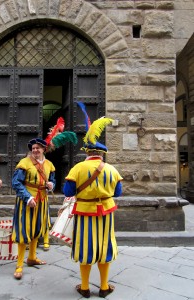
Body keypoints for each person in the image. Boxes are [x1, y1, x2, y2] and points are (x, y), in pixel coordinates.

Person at [63, 102, 123, 298]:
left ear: (87, 151)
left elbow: (68, 191)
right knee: (105, 247)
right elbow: (118, 193)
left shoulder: (77, 168)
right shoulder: (112, 170)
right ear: (102, 153)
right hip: (105, 213)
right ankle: (104, 287)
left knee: (85, 249)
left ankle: (85, 287)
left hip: (84, 212)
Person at [12, 138, 56, 280]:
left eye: (38, 148)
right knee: (24, 231)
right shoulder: (24, 163)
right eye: (33, 148)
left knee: (37, 229)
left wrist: (51, 185)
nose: (35, 150)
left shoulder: (50, 164)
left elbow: (53, 179)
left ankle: (32, 257)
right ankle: (19, 265)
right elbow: (16, 183)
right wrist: (27, 198)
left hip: (42, 200)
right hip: (27, 201)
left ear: (44, 149)